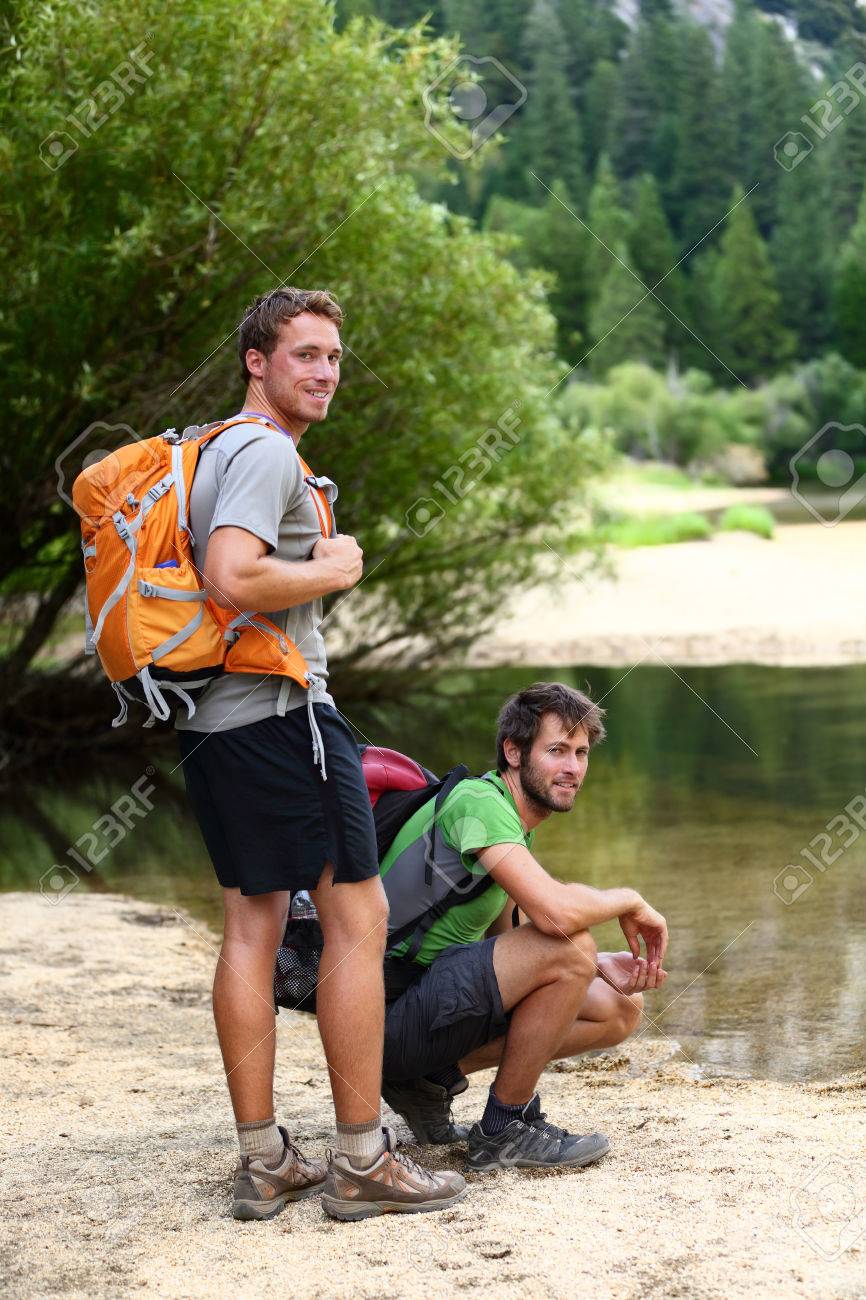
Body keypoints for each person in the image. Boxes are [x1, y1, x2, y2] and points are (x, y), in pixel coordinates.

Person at [176, 288, 465, 1221]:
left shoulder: (215, 445)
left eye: (333, 356)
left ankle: (264, 1160)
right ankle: (362, 1159)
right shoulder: (262, 449)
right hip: (283, 714)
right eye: (304, 354)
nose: (325, 371)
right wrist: (335, 569)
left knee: (252, 928)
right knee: (359, 917)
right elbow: (231, 573)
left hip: (217, 726)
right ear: (256, 362)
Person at [380, 681, 669, 1171]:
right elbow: (556, 917)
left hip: (415, 1015)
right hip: (378, 1018)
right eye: (556, 750)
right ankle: (503, 1128)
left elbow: (507, 942)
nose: (573, 767)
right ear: (513, 752)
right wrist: (629, 899)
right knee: (571, 944)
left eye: (581, 753)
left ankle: (427, 1083)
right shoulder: (479, 803)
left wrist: (596, 969)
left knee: (620, 1007)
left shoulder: (511, 825)